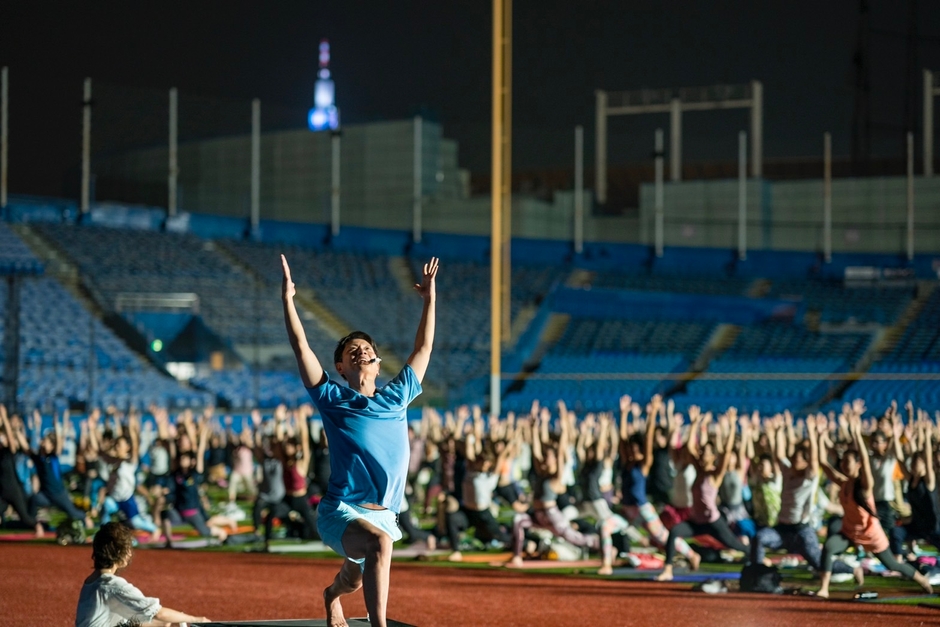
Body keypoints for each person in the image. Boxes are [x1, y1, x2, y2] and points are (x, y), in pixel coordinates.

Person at [281, 254, 438, 627]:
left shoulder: (397, 395)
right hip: (343, 511)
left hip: (385, 513)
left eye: (367, 348)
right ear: (341, 367)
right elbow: (302, 349)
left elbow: (423, 350)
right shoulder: (332, 398)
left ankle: (331, 595)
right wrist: (288, 300)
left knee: (353, 578)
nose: (361, 350)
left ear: (378, 363)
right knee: (378, 545)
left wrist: (430, 301)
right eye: (352, 350)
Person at [815, 408, 932, 598]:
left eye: (849, 462)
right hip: (850, 532)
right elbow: (822, 462)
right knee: (828, 547)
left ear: (858, 464)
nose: (844, 465)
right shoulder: (843, 482)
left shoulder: (865, 486)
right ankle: (824, 588)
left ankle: (921, 579)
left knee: (892, 564)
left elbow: (866, 464)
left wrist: (857, 436)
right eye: (843, 461)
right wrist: (818, 436)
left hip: (871, 534)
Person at [656, 410, 750, 582]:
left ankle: (758, 557)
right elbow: (691, 447)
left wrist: (730, 426)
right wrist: (693, 425)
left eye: (706, 452)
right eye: (702, 451)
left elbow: (727, 451)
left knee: (734, 544)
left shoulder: (715, 474)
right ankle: (668, 569)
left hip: (712, 522)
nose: (702, 454)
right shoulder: (698, 470)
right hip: (695, 521)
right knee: (674, 531)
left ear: (713, 456)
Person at [75, 522, 209, 627]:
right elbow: (159, 613)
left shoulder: (92, 581)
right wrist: (196, 619)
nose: (129, 554)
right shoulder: (113, 585)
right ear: (119, 552)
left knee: (160, 623)